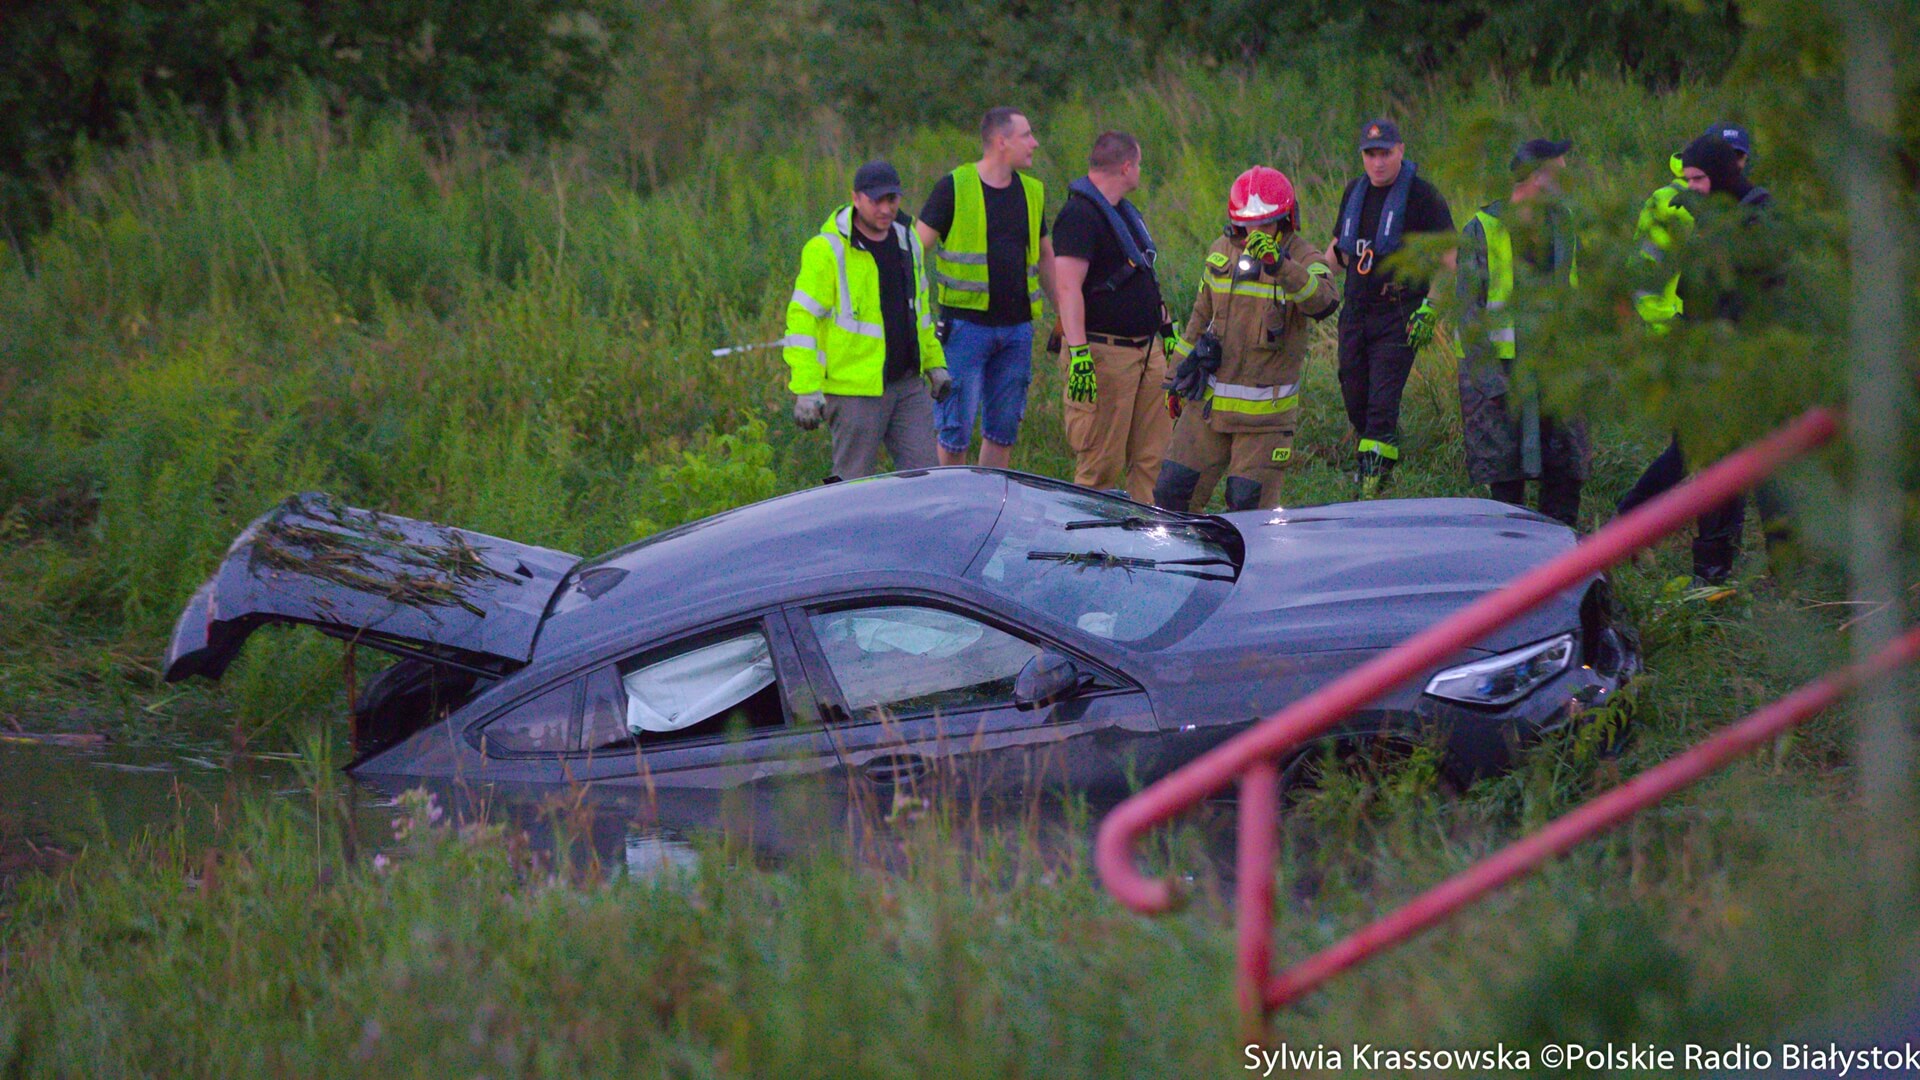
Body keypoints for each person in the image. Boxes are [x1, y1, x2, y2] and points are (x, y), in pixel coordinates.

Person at [1615, 132, 1789, 587]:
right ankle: (1711, 577)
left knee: (1765, 471)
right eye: (1687, 178)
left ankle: (1787, 576)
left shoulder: (1759, 216)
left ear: (1725, 173)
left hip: (1748, 366)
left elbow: (1762, 295)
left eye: (1697, 178)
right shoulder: (1712, 215)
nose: (1689, 187)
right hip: (1706, 363)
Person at [1153, 166, 1338, 512]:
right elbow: (1197, 322)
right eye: (1248, 224)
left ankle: (1246, 567)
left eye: (1266, 224)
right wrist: (1173, 380)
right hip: (1209, 408)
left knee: (1247, 508)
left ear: (1285, 220)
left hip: (1264, 419)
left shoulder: (1304, 258)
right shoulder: (1221, 251)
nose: (1255, 232)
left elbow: (1324, 301)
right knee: (1171, 494)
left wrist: (1280, 265)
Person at [783, 160, 952, 481]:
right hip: (854, 393)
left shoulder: (908, 240)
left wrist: (935, 363)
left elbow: (919, 310)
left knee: (927, 481)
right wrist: (806, 389)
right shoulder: (828, 249)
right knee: (852, 487)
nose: (885, 208)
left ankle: (918, 533)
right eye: (876, 200)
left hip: (907, 386)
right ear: (856, 198)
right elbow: (802, 321)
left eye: (892, 199)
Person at [1456, 139, 1587, 527]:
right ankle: (1513, 575)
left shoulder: (1565, 222)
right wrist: (1491, 383)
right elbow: (1468, 313)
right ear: (1535, 177)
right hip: (1502, 373)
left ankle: (1563, 570)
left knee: (1564, 477)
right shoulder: (1482, 229)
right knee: (1506, 490)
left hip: (1558, 368)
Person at [915, 107, 1056, 469]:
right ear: (1001, 141)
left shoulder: (1032, 192)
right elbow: (914, 253)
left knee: (1003, 432)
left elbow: (1047, 260)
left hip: (1017, 332)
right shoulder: (954, 187)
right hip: (964, 331)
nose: (1034, 143)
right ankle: (953, 512)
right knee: (955, 430)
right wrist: (915, 319)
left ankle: (989, 512)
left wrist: (1067, 321)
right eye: (1026, 135)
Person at [1326, 118, 1456, 494]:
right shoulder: (1355, 192)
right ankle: (1374, 461)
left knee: (1382, 403)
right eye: (1370, 154)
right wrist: (1305, 279)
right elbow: (1336, 253)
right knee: (1355, 395)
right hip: (1355, 313)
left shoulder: (1423, 197)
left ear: (1400, 151)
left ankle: (1374, 487)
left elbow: (1450, 261)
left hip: (1398, 315)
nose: (1377, 162)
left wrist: (1430, 308)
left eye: (1385, 153)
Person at [1051, 131, 1173, 503]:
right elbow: (1068, 288)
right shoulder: (1079, 215)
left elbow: (1141, 275)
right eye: (1139, 164)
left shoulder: (1124, 212)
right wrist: (1080, 355)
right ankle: (1086, 550)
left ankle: (1147, 544)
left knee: (1153, 461)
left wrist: (1166, 328)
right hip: (1106, 355)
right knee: (1101, 464)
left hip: (1148, 350)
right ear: (1126, 166)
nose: (1141, 171)